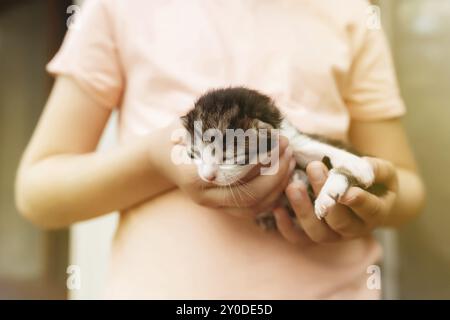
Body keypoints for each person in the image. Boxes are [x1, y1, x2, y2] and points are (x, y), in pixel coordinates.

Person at [15, 0, 425, 299]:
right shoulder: (119, 9)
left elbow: (405, 188)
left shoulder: (350, 14)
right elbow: (38, 195)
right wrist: (156, 164)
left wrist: (367, 205)